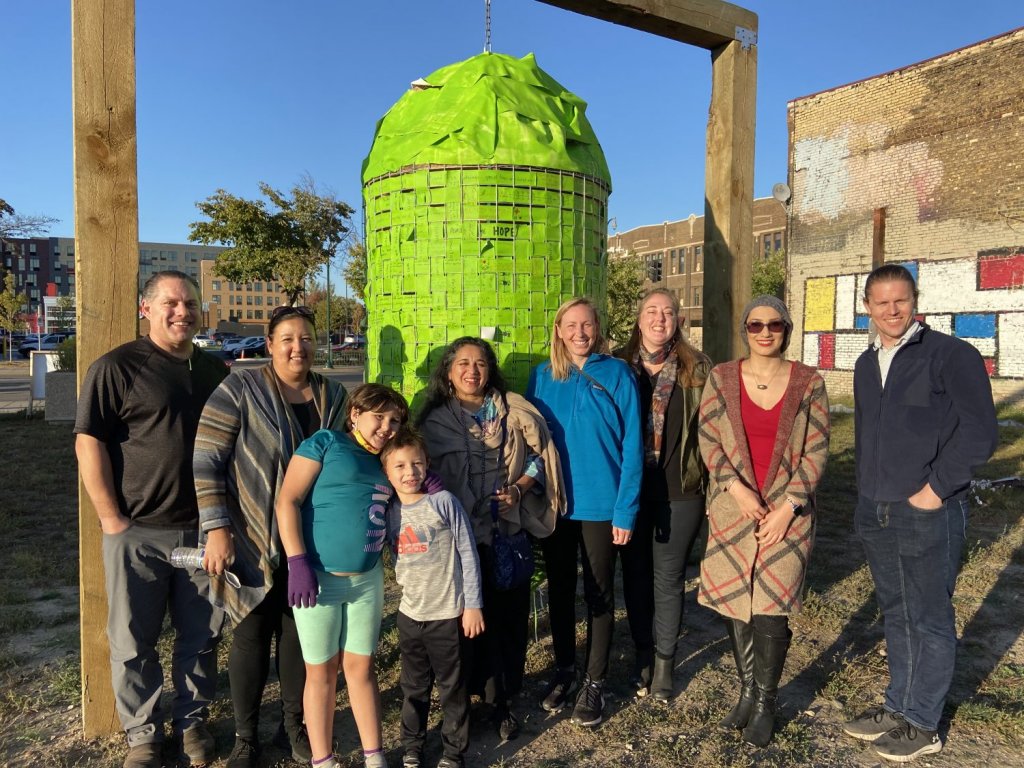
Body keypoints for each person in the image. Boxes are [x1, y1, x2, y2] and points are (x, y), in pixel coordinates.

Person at [842, 264, 998, 763]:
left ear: (915, 300)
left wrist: (936, 489)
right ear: (867, 307)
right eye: (882, 302)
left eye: (901, 300)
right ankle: (898, 707)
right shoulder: (866, 363)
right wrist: (865, 493)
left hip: (929, 510)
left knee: (929, 616)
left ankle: (923, 723)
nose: (892, 310)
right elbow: (866, 433)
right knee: (896, 610)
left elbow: (980, 432)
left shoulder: (950, 355)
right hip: (877, 509)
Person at [75, 270, 229, 768]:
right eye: (171, 303)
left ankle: (191, 723)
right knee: (132, 640)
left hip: (202, 530)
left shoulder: (215, 371)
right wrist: (111, 519)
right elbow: (89, 443)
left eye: (191, 304)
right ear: (146, 309)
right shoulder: (117, 368)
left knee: (201, 635)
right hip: (137, 531)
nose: (182, 312)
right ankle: (142, 735)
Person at [193, 305, 347, 767]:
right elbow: (207, 459)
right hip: (250, 533)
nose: (298, 347)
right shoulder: (241, 388)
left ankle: (293, 725)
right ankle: (246, 737)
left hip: (312, 538)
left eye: (306, 338)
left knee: (300, 633)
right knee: (252, 633)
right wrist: (217, 527)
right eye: (287, 339)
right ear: (270, 344)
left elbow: (349, 459)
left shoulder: (334, 396)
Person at [697, 295, 830, 748]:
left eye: (775, 324)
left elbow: (817, 449)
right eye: (756, 325)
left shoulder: (808, 382)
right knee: (736, 602)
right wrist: (735, 489)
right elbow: (709, 439)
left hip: (787, 513)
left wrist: (789, 505)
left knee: (771, 607)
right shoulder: (721, 378)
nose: (765, 332)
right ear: (745, 330)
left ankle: (766, 702)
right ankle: (747, 692)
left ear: (786, 330)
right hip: (734, 508)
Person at [417, 337, 564, 739]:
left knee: (506, 621)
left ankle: (502, 703)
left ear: (490, 370)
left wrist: (518, 488)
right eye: (462, 363)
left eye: (480, 363)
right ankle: (463, 702)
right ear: (449, 372)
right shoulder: (434, 423)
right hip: (455, 539)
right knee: (462, 625)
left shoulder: (515, 412)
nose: (472, 371)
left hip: (505, 533)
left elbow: (538, 457)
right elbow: (419, 473)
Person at [275, 383, 410, 768]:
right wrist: (297, 561)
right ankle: (323, 760)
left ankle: (374, 756)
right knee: (321, 673)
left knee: (361, 669)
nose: (386, 427)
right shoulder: (326, 442)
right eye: (379, 417)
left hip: (367, 581)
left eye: (395, 421)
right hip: (318, 580)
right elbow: (288, 500)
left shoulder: (387, 459)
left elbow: (414, 480)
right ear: (355, 414)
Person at [526, 297, 643, 728]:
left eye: (587, 324)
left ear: (598, 328)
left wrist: (625, 510)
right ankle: (565, 671)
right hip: (556, 504)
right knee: (559, 590)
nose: (579, 333)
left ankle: (595, 681)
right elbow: (529, 441)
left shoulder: (617, 374)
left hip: (602, 504)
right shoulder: (541, 377)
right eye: (571, 325)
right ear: (558, 330)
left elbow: (633, 445)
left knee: (598, 594)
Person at [616, 288, 710, 701]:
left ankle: (665, 663)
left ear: (678, 321)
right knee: (635, 577)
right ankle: (642, 654)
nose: (659, 319)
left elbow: (713, 431)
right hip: (629, 492)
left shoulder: (698, 368)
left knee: (669, 579)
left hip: (680, 489)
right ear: (639, 320)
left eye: (668, 312)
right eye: (652, 311)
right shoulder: (617, 366)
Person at [382, 428, 485, 768]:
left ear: (427, 465)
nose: (409, 472)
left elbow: (467, 553)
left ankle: (454, 752)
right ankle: (412, 746)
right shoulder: (388, 511)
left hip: (448, 615)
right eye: (399, 466)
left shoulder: (444, 503)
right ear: (386, 472)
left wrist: (473, 605)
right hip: (410, 615)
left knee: (452, 688)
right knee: (413, 687)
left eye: (416, 463)